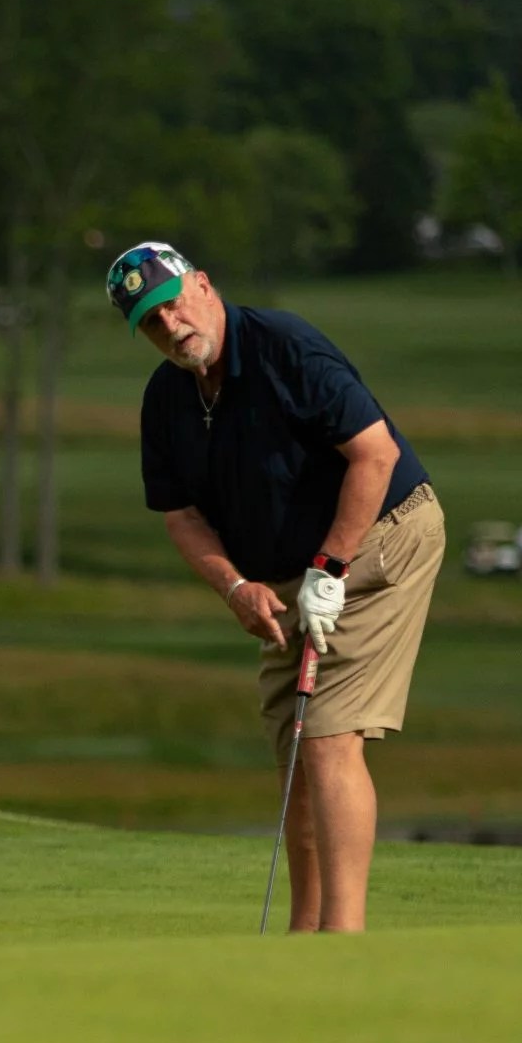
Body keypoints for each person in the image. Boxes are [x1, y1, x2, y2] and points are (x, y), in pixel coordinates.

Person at [108, 241, 444, 934]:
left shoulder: (283, 348)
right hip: (293, 572)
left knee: (325, 735)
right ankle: (304, 930)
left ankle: (341, 939)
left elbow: (373, 453)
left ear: (203, 285)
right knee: (298, 743)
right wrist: (234, 586)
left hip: (381, 538)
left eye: (173, 305)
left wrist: (330, 568)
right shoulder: (166, 399)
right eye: (149, 322)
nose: (170, 327)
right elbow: (183, 514)